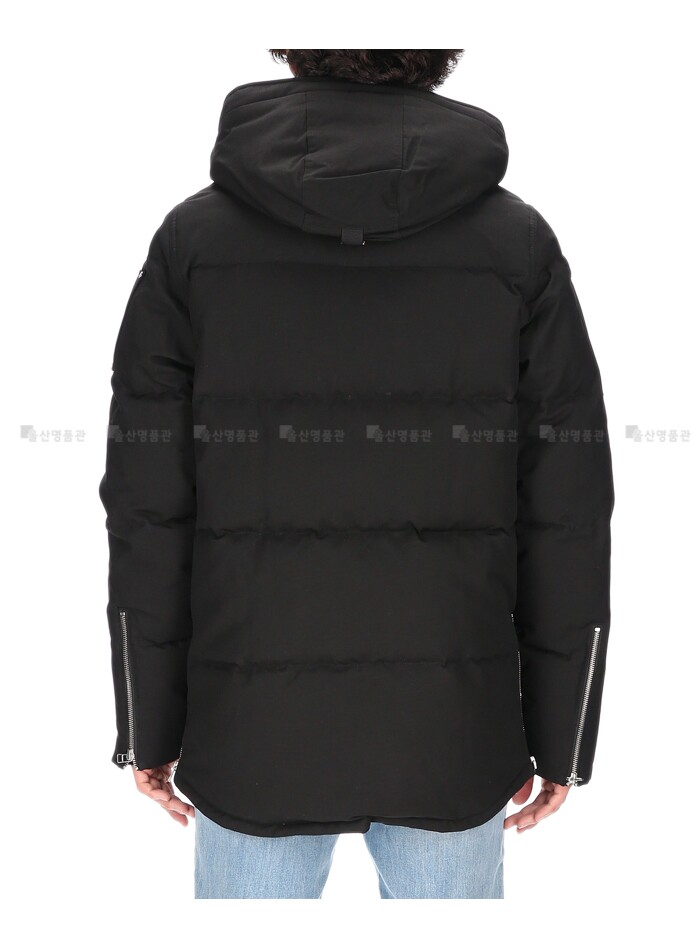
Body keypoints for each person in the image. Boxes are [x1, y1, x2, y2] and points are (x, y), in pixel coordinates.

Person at [98, 49, 614, 900]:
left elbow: (147, 506)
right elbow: (568, 509)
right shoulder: (514, 243)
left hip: (253, 734)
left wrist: (146, 724)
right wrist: (564, 735)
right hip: (450, 732)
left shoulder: (196, 241)